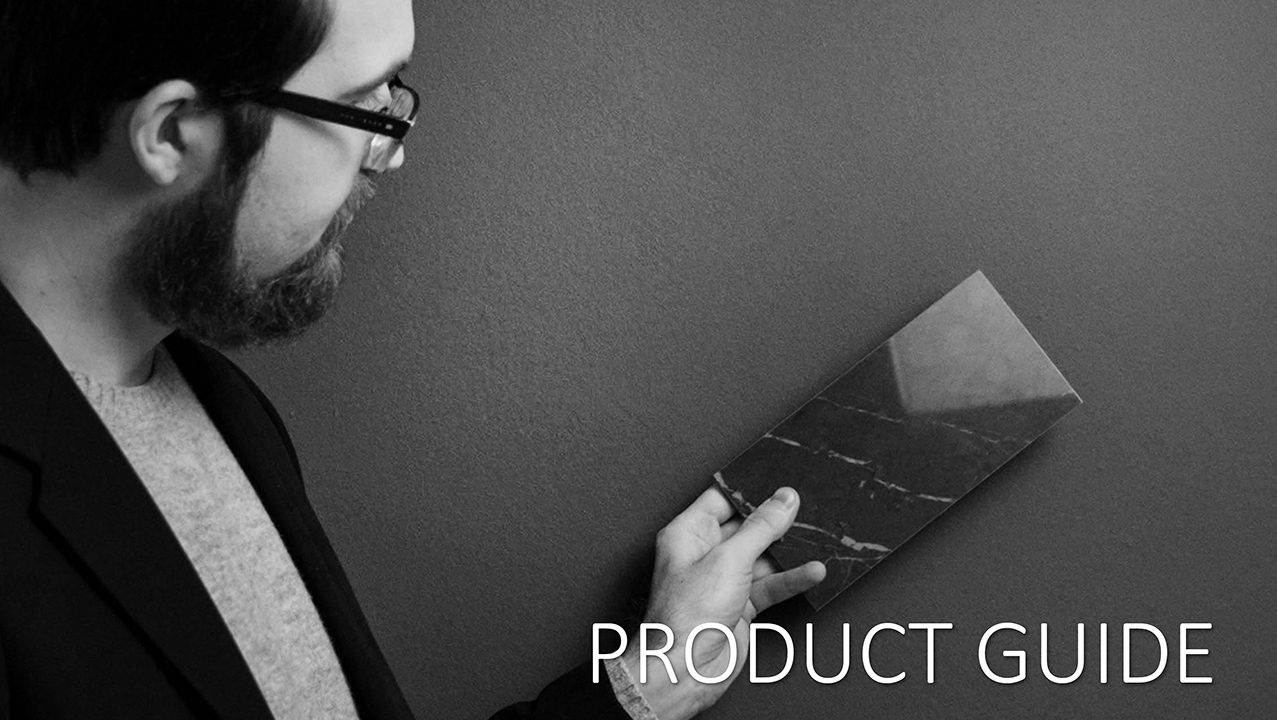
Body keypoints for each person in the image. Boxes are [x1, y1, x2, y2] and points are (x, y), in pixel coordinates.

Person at [0, 0, 827, 717]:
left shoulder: (215, 401)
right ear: (172, 133)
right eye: (364, 105)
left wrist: (643, 689)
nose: (390, 153)